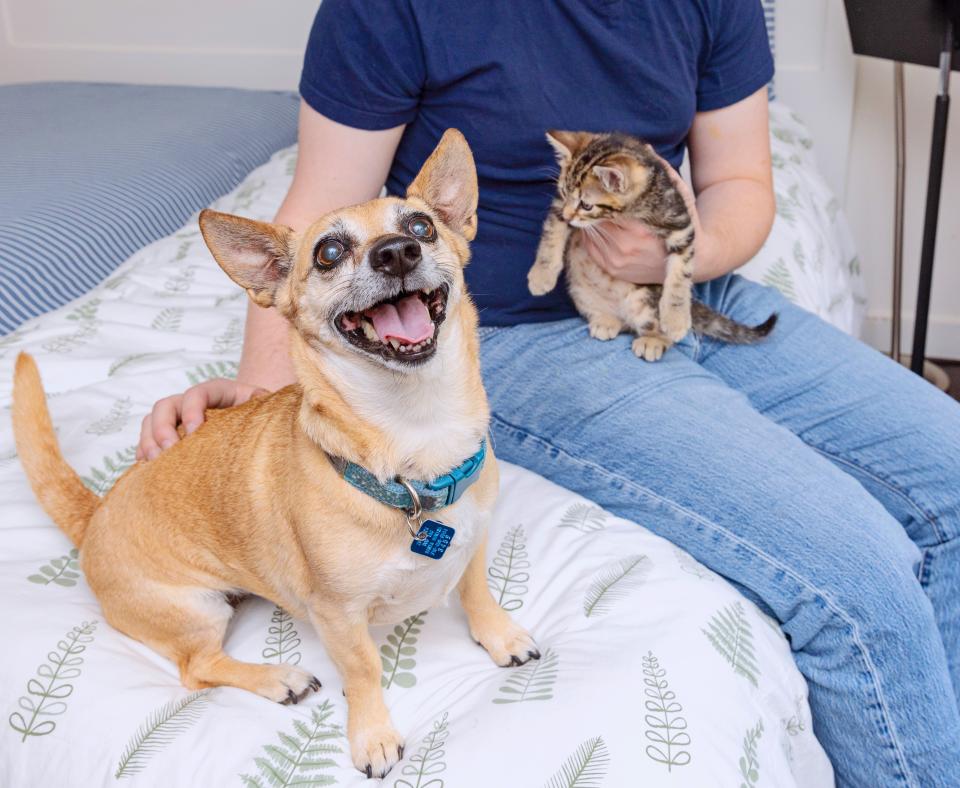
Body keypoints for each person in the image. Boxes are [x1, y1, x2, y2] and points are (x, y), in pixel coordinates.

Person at [137, 2, 960, 784]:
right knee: (860, 576)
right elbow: (317, 216)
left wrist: (676, 255)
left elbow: (741, 181)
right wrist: (257, 394)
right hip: (529, 335)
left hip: (692, 293)